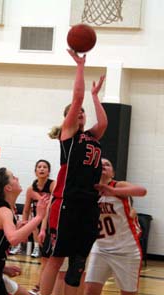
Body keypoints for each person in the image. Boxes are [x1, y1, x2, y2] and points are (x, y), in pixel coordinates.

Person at [40, 49, 108, 295]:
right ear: (68, 117)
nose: (80, 112)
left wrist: (95, 96)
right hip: (67, 202)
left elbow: (103, 124)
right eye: (76, 111)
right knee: (57, 258)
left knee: (79, 262)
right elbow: (76, 99)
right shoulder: (68, 135)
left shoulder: (91, 136)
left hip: (88, 204)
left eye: (83, 111)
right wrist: (80, 66)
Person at [85, 158, 147, 295]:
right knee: (90, 290)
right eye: (100, 165)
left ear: (112, 173)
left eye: (107, 164)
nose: (103, 166)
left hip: (126, 250)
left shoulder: (118, 185)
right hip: (101, 248)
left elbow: (142, 191)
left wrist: (112, 191)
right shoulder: (89, 190)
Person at [22, 160, 55, 295]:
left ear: (48, 171)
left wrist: (43, 228)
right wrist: (24, 226)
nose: (42, 169)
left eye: (45, 167)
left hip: (50, 224)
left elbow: (48, 209)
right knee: (43, 258)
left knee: (47, 258)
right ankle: (41, 285)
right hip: (37, 224)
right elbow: (25, 210)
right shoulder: (31, 189)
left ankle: (41, 286)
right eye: (39, 167)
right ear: (35, 171)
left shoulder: (53, 185)